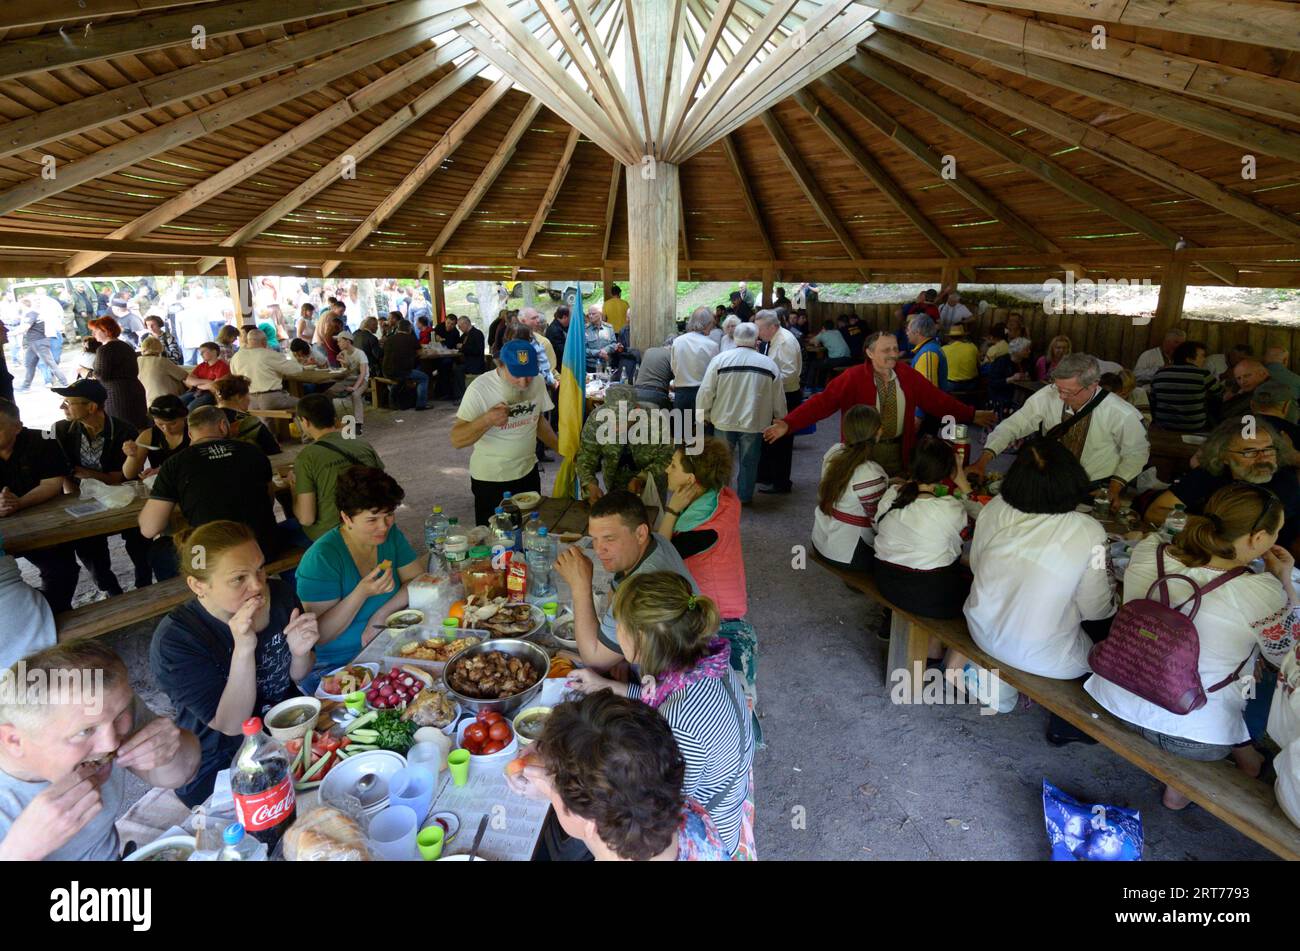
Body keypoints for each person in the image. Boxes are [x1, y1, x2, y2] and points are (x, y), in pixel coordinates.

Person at [1086, 484, 1299, 809]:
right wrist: (1283, 582)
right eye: (1276, 531)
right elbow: (1286, 654)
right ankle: (1195, 780)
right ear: (1257, 538)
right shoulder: (1260, 590)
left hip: (1116, 697)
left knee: (1240, 667)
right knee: (1258, 683)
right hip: (1195, 739)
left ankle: (1199, 773)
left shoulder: (1149, 551)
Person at [566, 572, 755, 858]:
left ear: (640, 637)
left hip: (709, 833)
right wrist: (610, 686)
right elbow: (662, 692)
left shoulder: (679, 723)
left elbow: (655, 812)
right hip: (726, 796)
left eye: (618, 625)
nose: (615, 634)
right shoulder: (705, 661)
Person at [149, 521, 319, 807]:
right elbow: (230, 724)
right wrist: (243, 648)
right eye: (238, 578)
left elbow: (297, 675)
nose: (257, 585)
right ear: (198, 585)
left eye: (260, 569)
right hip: (223, 760)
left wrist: (300, 651)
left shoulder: (279, 596)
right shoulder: (176, 641)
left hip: (288, 728)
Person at [0, 640, 200, 860]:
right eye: (85, 731)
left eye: (119, 715)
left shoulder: (104, 708)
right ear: (14, 741)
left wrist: (170, 747)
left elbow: (180, 774)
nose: (111, 744)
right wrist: (18, 852)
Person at [965, 438, 1115, 681]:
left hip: (981, 632)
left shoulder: (993, 508)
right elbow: (1097, 609)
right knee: (1105, 641)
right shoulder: (1091, 532)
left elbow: (976, 565)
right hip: (1045, 658)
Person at [516, 690, 728, 860]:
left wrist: (558, 791)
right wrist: (560, 790)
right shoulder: (689, 817)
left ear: (589, 821)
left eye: (554, 783)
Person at [768, 331, 995, 477]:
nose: (893, 354)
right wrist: (789, 423)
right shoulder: (852, 377)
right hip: (862, 451)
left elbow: (937, 400)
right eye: (886, 350)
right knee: (862, 498)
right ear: (869, 353)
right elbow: (822, 403)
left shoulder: (908, 375)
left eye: (895, 349)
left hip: (899, 449)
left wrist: (971, 414)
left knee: (894, 497)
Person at [969, 353, 1149, 508]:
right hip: (1049, 479)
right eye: (1058, 388)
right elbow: (1013, 426)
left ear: (1093, 385)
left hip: (1093, 488)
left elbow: (1136, 453)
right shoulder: (1049, 394)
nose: (1061, 397)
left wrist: (1114, 489)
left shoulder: (1121, 413)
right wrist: (982, 461)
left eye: (1069, 392)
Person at [295, 466, 422, 680]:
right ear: (346, 518)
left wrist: (380, 615)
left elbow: (418, 580)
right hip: (335, 665)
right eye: (372, 519)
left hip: (389, 646)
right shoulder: (323, 557)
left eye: (389, 514)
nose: (383, 526)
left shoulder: (391, 536)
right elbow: (319, 636)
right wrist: (361, 593)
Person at [553, 490, 698, 672]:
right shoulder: (655, 541)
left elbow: (595, 660)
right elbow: (615, 592)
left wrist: (580, 586)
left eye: (609, 539)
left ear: (640, 534)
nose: (598, 550)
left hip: (670, 679)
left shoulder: (642, 583)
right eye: (594, 539)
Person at [138, 405, 281, 570]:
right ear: (223, 426)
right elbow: (269, 500)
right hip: (265, 550)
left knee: (160, 549)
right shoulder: (253, 452)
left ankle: (198, 590)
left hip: (213, 560)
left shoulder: (175, 464)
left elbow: (150, 529)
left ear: (190, 434)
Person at [51, 379, 154, 597]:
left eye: (69, 402)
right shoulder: (61, 430)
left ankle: (144, 583)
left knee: (139, 536)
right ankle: (110, 588)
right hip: (80, 496)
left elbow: (122, 476)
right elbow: (63, 473)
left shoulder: (122, 430)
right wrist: (75, 493)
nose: (63, 407)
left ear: (92, 406)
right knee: (87, 545)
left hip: (122, 494)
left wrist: (88, 474)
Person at [1143, 419, 1300, 549]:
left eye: (1268, 450)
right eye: (1250, 452)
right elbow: (1156, 511)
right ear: (1223, 456)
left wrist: (1195, 524)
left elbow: (1238, 537)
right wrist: (1205, 524)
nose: (1263, 459)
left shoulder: (1285, 484)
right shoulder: (1209, 474)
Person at [452, 339, 557, 526]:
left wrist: (563, 448)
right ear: (500, 365)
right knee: (496, 540)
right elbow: (457, 439)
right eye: (517, 374)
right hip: (492, 479)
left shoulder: (538, 381)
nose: (524, 382)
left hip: (528, 473)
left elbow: (538, 421)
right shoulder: (480, 388)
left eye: (529, 375)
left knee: (531, 531)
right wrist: (487, 419)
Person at [873, 436, 973, 621]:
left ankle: (890, 620)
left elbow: (876, 525)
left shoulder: (892, 494)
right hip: (929, 596)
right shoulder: (949, 508)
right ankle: (934, 646)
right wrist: (964, 483)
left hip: (886, 582)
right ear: (947, 472)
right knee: (973, 582)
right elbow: (982, 524)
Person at [0, 398, 80, 613]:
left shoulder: (42, 439)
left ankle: (52, 611)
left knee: (62, 570)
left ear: (17, 427)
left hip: (41, 520)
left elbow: (53, 483)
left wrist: (19, 503)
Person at [657, 440, 748, 621]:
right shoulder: (717, 498)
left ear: (690, 480)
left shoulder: (703, 530)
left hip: (715, 613)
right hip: (722, 598)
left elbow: (661, 556)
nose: (667, 470)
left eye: (673, 466)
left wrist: (672, 511)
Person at [696, 322, 785, 504]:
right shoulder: (769, 364)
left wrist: (702, 415)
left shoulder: (720, 360)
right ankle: (744, 497)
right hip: (754, 422)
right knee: (749, 461)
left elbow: (706, 391)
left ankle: (720, 496)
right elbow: (778, 397)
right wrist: (780, 417)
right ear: (756, 338)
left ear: (734, 337)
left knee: (721, 461)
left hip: (723, 419)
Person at [289, 394, 384, 542]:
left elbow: (306, 519)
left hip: (332, 537)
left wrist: (294, 489)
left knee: (282, 531)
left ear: (305, 422)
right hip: (370, 525)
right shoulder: (361, 444)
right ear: (334, 417)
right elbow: (383, 482)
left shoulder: (306, 458)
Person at [811, 405, 888, 573]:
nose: (882, 428)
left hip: (820, 540)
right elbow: (880, 523)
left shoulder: (834, 452)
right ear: (874, 432)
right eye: (879, 425)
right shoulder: (870, 472)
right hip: (847, 554)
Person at [574, 384, 673, 502]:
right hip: (614, 480)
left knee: (652, 516)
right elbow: (586, 457)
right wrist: (589, 484)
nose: (617, 427)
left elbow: (667, 457)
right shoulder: (596, 420)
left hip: (651, 484)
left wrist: (642, 478)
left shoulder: (656, 422)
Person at [755, 309, 804, 494]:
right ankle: (767, 476)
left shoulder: (784, 342)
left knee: (781, 440)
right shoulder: (774, 339)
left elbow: (789, 373)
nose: (758, 333)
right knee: (770, 437)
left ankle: (781, 482)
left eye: (760, 329)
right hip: (777, 395)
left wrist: (764, 382)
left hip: (787, 396)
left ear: (773, 327)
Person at [1149, 339, 1224, 432]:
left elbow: (1153, 400)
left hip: (1163, 425)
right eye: (1202, 356)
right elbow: (1220, 393)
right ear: (1188, 359)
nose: (1205, 360)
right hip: (1194, 427)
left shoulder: (1159, 373)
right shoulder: (1202, 374)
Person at [87, 317, 148, 428]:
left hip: (117, 395)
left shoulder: (104, 349)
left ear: (106, 331)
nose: (93, 333)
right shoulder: (125, 345)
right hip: (135, 390)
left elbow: (101, 376)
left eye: (96, 330)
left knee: (121, 431)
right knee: (138, 429)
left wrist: (85, 372)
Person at [228, 327, 305, 410]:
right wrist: (299, 361)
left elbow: (234, 376)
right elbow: (296, 370)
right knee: (305, 405)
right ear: (264, 341)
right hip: (271, 399)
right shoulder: (268, 354)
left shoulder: (236, 357)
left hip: (248, 401)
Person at [122, 394, 190, 481]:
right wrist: (132, 456)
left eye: (173, 423)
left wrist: (163, 471)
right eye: (160, 424)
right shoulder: (149, 435)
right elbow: (129, 475)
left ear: (184, 417)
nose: (166, 429)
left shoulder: (194, 433)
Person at [211, 374, 281, 456]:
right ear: (238, 397)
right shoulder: (251, 422)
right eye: (248, 394)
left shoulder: (206, 418)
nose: (249, 399)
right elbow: (274, 450)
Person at [17, 301, 68, 392]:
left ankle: (65, 383)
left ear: (23, 305)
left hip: (38, 342)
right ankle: (25, 386)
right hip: (33, 342)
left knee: (50, 363)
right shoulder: (33, 314)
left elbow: (26, 327)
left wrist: (11, 333)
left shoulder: (31, 313)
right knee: (29, 364)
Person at [381, 317, 429, 411]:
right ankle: (421, 404)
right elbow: (421, 353)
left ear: (398, 329)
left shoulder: (389, 339)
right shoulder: (411, 339)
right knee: (424, 377)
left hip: (386, 370)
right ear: (409, 328)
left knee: (415, 372)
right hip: (402, 372)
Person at [135, 336, 190, 407]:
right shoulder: (162, 361)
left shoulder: (136, 361)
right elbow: (185, 376)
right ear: (160, 348)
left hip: (144, 403)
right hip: (165, 402)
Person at [1218, 358, 1272, 423]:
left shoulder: (1265, 393)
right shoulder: (1253, 389)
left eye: (1247, 376)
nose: (1242, 382)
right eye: (1238, 378)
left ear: (1263, 373)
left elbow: (1229, 415)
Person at [182, 341, 230, 408]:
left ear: (214, 351)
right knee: (177, 402)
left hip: (212, 394)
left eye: (203, 351)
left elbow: (216, 386)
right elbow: (189, 380)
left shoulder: (222, 366)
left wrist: (198, 385)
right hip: (196, 391)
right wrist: (208, 381)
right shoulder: (201, 365)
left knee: (191, 407)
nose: (201, 354)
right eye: (200, 352)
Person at [942, 323, 980, 400]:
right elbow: (978, 365)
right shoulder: (972, 347)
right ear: (963, 336)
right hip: (971, 385)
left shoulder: (943, 349)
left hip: (951, 385)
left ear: (950, 337)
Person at [632, 344, 673, 410]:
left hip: (637, 393)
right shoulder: (671, 355)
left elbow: (650, 377)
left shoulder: (648, 351)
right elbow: (677, 380)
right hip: (656, 397)